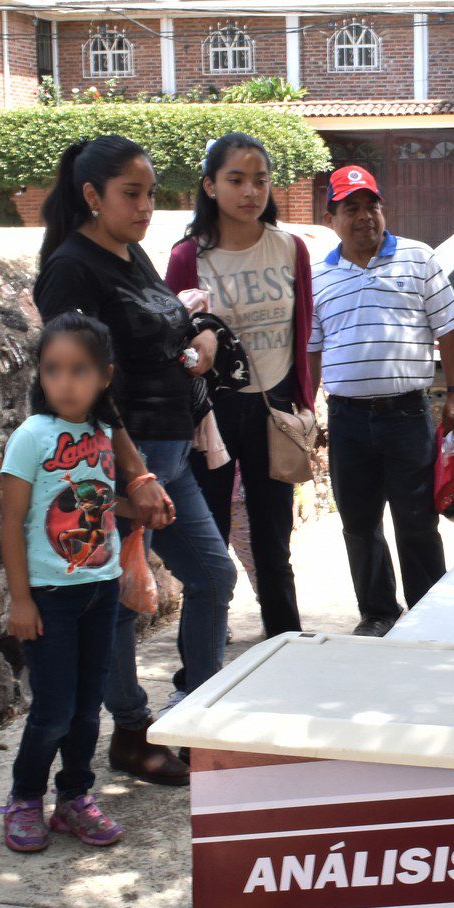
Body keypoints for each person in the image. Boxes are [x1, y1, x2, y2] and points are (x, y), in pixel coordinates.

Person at [32, 134, 232, 786]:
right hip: (121, 459)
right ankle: (132, 728)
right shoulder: (72, 267)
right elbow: (79, 384)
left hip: (170, 453)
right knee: (118, 603)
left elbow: (169, 323)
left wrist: (199, 334)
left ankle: (198, 721)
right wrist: (132, 474)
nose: (146, 206)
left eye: (150, 193)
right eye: (132, 193)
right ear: (92, 196)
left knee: (213, 576)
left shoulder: (131, 253)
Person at [166, 132, 318, 641]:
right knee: (208, 542)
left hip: (274, 407)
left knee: (275, 542)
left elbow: (303, 328)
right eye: (236, 180)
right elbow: (176, 339)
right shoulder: (190, 257)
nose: (250, 191)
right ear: (210, 186)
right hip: (213, 413)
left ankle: (286, 645)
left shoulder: (290, 248)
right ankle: (202, 661)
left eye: (260, 180)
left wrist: (304, 402)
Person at [309, 165, 454, 633]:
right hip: (347, 418)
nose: (365, 216)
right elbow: (313, 351)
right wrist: (308, 409)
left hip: (407, 414)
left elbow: (449, 332)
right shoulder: (319, 276)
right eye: (351, 208)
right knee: (359, 525)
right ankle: (378, 613)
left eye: (371, 205)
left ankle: (429, 614)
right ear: (331, 217)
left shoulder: (418, 258)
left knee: (417, 521)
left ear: (383, 209)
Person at [0, 313, 132, 853]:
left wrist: (140, 508)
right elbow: (11, 522)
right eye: (54, 369)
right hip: (50, 598)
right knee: (52, 709)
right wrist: (21, 598)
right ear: (40, 375)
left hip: (101, 589)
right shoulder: (31, 435)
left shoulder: (102, 434)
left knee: (86, 706)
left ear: (105, 376)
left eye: (79, 369)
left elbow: (100, 501)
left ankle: (73, 798)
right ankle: (24, 799)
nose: (66, 381)